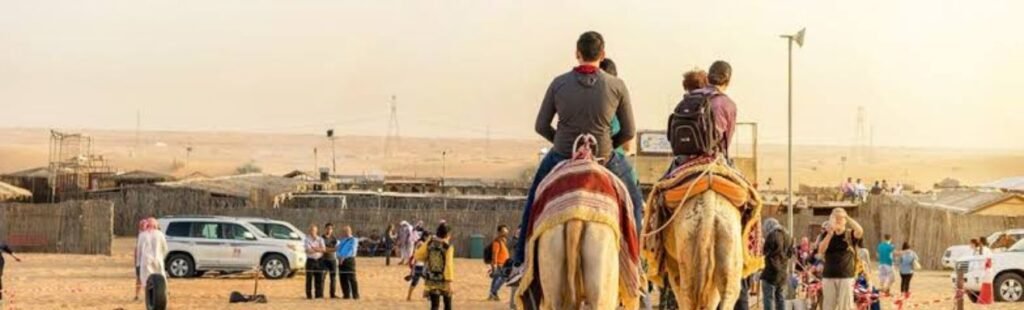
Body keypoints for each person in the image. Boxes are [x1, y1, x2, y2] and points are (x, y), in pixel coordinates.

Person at [514, 31, 641, 266]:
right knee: (634, 202)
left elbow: (541, 126)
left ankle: (520, 261)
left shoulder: (558, 83)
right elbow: (629, 131)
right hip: (604, 156)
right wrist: (607, 146)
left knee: (533, 200)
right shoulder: (617, 85)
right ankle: (636, 263)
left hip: (562, 154)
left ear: (577, 53)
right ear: (602, 55)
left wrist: (563, 144)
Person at [818, 208, 864, 310]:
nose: (838, 220)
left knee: (846, 307)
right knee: (828, 306)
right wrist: (830, 234)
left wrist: (846, 216)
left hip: (846, 276)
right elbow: (821, 250)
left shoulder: (850, 234)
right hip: (828, 276)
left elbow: (860, 231)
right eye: (835, 218)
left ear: (845, 221)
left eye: (840, 218)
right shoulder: (826, 234)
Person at [416, 223, 455, 310]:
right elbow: (448, 265)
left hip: (432, 279)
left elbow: (418, 255)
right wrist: (449, 282)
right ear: (447, 234)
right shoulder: (448, 247)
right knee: (448, 306)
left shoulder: (430, 243)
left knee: (434, 306)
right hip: (444, 280)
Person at [761, 218, 792, 310]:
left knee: (768, 298)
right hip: (783, 271)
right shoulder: (788, 236)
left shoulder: (772, 235)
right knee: (780, 298)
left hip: (771, 271)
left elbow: (765, 251)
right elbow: (790, 254)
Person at [136, 217, 168, 302]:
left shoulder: (142, 235)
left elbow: (139, 250)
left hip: (146, 260)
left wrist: (138, 263)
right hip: (158, 259)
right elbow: (165, 248)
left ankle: (149, 296)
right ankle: (162, 294)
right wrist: (162, 257)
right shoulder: (160, 234)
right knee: (161, 276)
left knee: (146, 279)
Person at [337, 225, 360, 300]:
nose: (345, 232)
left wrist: (344, 257)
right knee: (343, 278)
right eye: (344, 231)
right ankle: (346, 295)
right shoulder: (342, 240)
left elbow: (352, 250)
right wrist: (339, 256)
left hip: (349, 260)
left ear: (350, 231)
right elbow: (338, 249)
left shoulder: (354, 240)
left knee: (352, 278)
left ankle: (355, 295)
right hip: (341, 261)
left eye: (347, 231)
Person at [488, 225, 511, 301]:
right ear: (499, 232)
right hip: (500, 264)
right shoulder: (497, 242)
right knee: (503, 278)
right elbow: (495, 254)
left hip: (504, 263)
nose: (505, 233)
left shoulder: (503, 241)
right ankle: (493, 292)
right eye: (503, 231)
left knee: (496, 279)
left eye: (506, 231)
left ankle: (492, 294)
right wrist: (494, 265)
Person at [406, 231, 431, 301]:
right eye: (428, 237)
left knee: (416, 281)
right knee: (428, 280)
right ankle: (426, 295)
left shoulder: (422, 243)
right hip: (420, 266)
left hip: (419, 266)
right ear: (425, 237)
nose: (429, 238)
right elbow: (417, 255)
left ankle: (409, 296)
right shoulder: (421, 243)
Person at [304, 224, 326, 299]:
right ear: (309, 231)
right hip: (310, 261)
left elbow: (324, 249)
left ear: (317, 231)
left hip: (319, 260)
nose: (313, 232)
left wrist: (315, 249)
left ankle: (318, 295)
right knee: (309, 279)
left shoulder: (320, 239)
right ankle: (309, 295)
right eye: (311, 230)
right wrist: (317, 249)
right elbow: (308, 250)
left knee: (319, 278)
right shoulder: (307, 239)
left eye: (314, 230)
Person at [321, 223, 340, 298]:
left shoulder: (334, 239)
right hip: (324, 260)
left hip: (332, 260)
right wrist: (332, 249)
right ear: (325, 229)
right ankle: (320, 294)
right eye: (328, 228)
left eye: (331, 229)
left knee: (333, 278)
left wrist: (328, 249)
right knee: (322, 277)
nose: (329, 230)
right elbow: (323, 249)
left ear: (332, 230)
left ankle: (332, 294)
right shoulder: (321, 238)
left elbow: (337, 249)